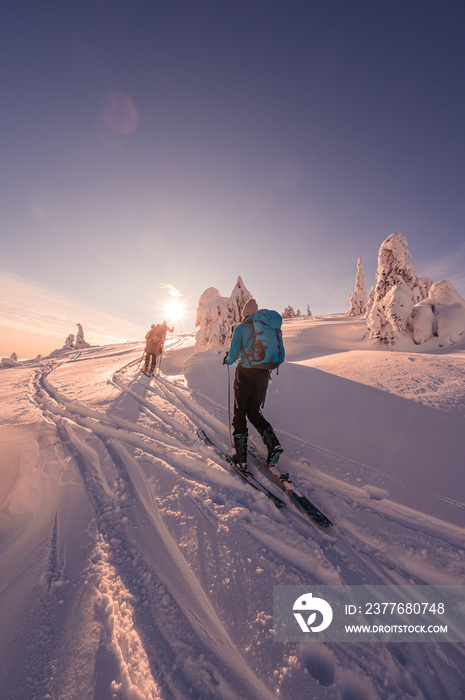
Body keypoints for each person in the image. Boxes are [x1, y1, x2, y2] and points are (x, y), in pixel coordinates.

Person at [223, 298, 283, 469]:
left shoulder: (241, 328)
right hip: (263, 374)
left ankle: (240, 458)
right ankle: (274, 445)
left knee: (240, 412)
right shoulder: (267, 329)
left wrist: (226, 360)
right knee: (254, 412)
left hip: (245, 374)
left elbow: (233, 356)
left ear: (244, 315)